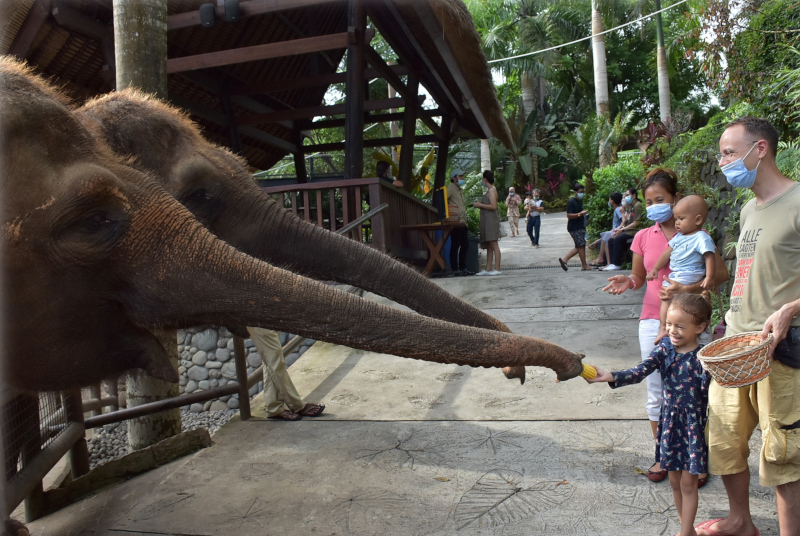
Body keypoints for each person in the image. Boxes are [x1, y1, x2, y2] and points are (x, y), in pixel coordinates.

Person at [695, 117, 800, 536]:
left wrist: (791, 308)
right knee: (722, 442)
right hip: (736, 348)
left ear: (761, 150)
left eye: (729, 152)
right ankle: (741, 521)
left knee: (783, 453)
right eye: (721, 154)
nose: (722, 162)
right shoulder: (746, 209)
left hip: (780, 349)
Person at [602, 167, 728, 486]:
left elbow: (721, 276)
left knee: (698, 393)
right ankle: (664, 456)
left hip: (693, 321)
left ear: (675, 199)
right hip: (653, 320)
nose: (654, 205)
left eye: (660, 199)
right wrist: (629, 280)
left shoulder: (697, 234)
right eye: (648, 200)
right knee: (657, 393)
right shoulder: (644, 236)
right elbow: (642, 277)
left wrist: (687, 290)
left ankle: (697, 459)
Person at [586, 294, 713, 536]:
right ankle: (687, 529)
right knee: (675, 482)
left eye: (680, 326)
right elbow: (640, 370)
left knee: (689, 483)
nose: (672, 331)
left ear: (700, 327)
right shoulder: (665, 349)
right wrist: (610, 375)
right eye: (668, 324)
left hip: (692, 427)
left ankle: (686, 532)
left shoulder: (704, 359)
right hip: (669, 424)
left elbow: (714, 393)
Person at [646, 195, 716, 345]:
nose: (677, 223)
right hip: (677, 274)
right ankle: (668, 327)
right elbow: (666, 254)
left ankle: (667, 328)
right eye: (676, 219)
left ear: (697, 220)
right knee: (668, 298)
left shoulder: (701, 237)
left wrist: (709, 277)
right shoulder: (678, 237)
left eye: (681, 219)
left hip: (690, 273)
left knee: (670, 297)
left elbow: (709, 256)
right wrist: (655, 269)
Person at [247, 327, 325, 421]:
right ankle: (297, 405)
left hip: (268, 316)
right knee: (275, 362)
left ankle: (274, 407)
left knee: (271, 360)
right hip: (256, 319)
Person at [603, 187, 644, 271]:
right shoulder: (630, 207)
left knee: (618, 239)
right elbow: (625, 221)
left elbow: (636, 223)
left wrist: (622, 229)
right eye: (624, 196)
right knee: (611, 239)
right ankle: (612, 263)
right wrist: (619, 227)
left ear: (634, 196)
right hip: (628, 230)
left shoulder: (637, 205)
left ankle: (617, 264)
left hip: (635, 230)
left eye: (627, 195)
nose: (625, 197)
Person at [473, 170, 501, 276]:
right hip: (487, 220)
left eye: (482, 179)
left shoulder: (492, 191)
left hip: (491, 220)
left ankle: (497, 268)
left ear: (485, 179)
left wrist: (479, 205)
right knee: (489, 244)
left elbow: (493, 206)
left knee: (494, 244)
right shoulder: (489, 190)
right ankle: (488, 268)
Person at [558, 183, 590, 271]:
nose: (582, 194)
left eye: (583, 192)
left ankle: (565, 260)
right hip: (574, 228)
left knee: (579, 246)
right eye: (580, 192)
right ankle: (583, 265)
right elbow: (569, 215)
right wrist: (580, 214)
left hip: (580, 226)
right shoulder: (571, 201)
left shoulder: (580, 201)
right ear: (575, 192)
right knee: (581, 245)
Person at [445, 169, 471, 276]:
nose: (462, 178)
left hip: (462, 222)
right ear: (454, 178)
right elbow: (442, 199)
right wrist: (449, 213)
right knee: (455, 245)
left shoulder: (459, 189)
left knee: (465, 245)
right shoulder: (450, 188)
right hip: (455, 222)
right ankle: (455, 268)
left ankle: (462, 267)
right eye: (460, 176)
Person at [589, 192, 624, 267]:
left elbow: (624, 220)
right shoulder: (617, 210)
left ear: (611, 201)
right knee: (604, 236)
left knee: (605, 237)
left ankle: (603, 260)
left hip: (619, 231)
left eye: (609, 199)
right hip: (615, 231)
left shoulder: (618, 209)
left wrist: (618, 229)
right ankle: (601, 258)